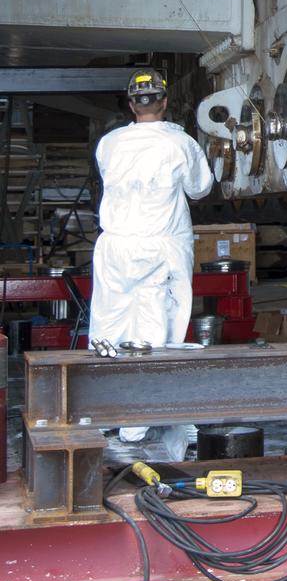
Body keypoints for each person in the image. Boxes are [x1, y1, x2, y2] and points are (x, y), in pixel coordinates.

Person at [89, 68, 213, 446]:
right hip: (158, 245)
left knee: (107, 326)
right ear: (163, 102)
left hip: (114, 246)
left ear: (131, 105)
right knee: (153, 332)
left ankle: (97, 413)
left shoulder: (108, 144)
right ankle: (137, 423)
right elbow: (200, 188)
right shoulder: (179, 144)